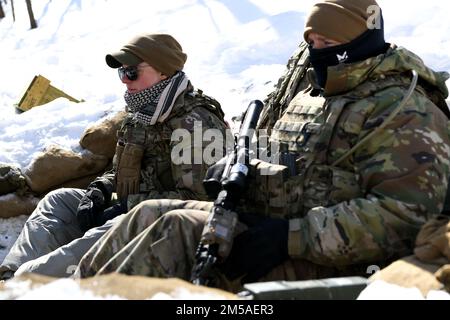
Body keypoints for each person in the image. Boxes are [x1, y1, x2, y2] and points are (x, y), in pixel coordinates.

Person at [75, 0, 450, 292]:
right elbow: (282, 153)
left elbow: (404, 215)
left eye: (329, 44)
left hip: (335, 259)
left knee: (173, 232)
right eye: (312, 43)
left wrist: (292, 237)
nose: (317, 52)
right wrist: (237, 166)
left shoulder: (403, 109)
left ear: (363, 41)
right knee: (148, 214)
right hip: (267, 225)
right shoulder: (317, 92)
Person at [0, 33, 228, 280]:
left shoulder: (196, 123)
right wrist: (101, 188)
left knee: (106, 233)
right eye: (122, 72)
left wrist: (126, 207)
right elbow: (122, 169)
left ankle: (25, 285)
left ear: (163, 72)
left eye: (132, 72)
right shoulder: (142, 112)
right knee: (59, 200)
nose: (125, 80)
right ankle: (9, 275)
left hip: (167, 224)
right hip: (133, 208)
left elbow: (201, 199)